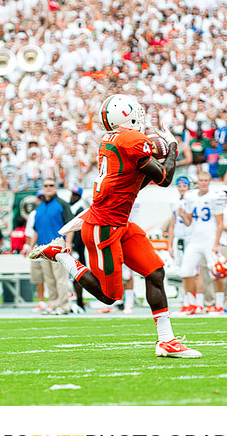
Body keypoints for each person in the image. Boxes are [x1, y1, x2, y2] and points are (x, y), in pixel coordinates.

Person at [31, 94, 201, 358]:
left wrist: (157, 156)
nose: (142, 119)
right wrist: (172, 149)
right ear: (126, 115)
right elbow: (165, 179)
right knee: (109, 296)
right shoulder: (131, 141)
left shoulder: (116, 140)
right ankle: (61, 255)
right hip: (103, 227)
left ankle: (167, 341)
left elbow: (136, 180)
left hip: (120, 222)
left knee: (155, 272)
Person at [178, 171, 227, 314]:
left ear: (209, 182)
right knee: (185, 271)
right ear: (197, 182)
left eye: (206, 180)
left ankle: (219, 304)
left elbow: (220, 223)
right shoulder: (190, 196)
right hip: (195, 238)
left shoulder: (215, 197)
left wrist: (216, 243)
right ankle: (191, 304)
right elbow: (188, 222)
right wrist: (182, 216)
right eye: (201, 180)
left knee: (216, 272)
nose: (203, 182)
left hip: (210, 238)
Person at [28, 178, 74, 314]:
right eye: (46, 185)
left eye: (51, 185)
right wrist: (32, 247)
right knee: (49, 280)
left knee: (60, 279)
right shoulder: (40, 208)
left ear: (56, 187)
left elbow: (70, 226)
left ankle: (63, 306)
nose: (48, 187)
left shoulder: (62, 204)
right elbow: (36, 230)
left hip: (58, 247)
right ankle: (54, 305)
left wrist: (68, 243)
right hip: (43, 249)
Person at [167, 176, 192, 309]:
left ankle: (192, 299)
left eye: (185, 186)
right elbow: (172, 224)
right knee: (182, 270)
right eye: (180, 186)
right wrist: (170, 244)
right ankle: (185, 298)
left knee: (191, 270)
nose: (182, 189)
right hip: (179, 238)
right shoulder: (174, 202)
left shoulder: (192, 200)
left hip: (189, 237)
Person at [68, 185, 88, 312]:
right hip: (73, 247)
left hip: (77, 247)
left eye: (76, 195)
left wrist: (74, 245)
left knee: (77, 276)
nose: (73, 197)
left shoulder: (79, 208)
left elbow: (79, 230)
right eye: (72, 194)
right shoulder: (72, 207)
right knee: (72, 277)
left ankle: (79, 301)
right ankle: (76, 300)